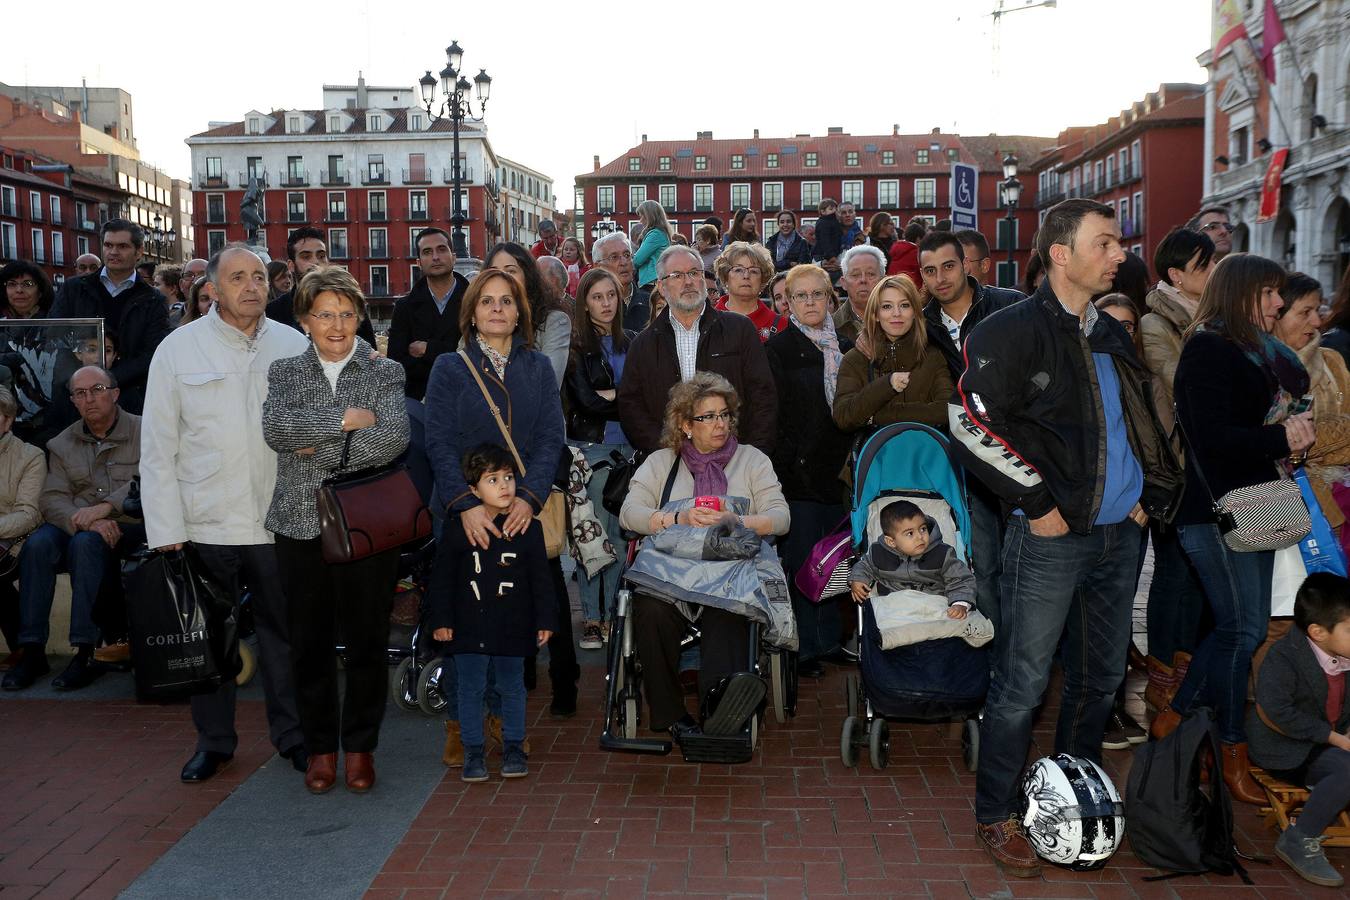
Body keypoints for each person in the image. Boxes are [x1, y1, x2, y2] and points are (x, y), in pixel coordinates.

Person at [951, 199, 1181, 877]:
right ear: (1060, 253)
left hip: (1120, 535)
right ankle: (996, 813)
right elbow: (969, 426)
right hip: (1051, 538)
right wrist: (1037, 501)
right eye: (1106, 243)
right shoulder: (1012, 330)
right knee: (1022, 681)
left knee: (1100, 678)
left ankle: (1072, 797)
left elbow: (1137, 422)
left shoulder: (1109, 331)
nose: (1120, 254)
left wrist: (1147, 496)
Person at [1149, 253, 1312, 809]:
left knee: (1243, 626)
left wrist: (1289, 435)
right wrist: (1281, 439)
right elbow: (1213, 437)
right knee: (1241, 630)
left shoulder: (1257, 353)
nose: (1279, 304)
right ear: (1241, 293)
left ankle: (1176, 717)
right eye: (1269, 293)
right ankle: (1230, 749)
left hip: (1256, 506)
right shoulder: (1207, 349)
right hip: (1215, 511)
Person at [141, 245, 309, 784]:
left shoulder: (294, 344)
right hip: (205, 521)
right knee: (209, 640)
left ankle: (294, 736)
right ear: (212, 288)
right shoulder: (177, 350)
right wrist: (165, 530)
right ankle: (213, 742)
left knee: (285, 637)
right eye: (238, 277)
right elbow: (157, 447)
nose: (251, 286)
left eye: (259, 276)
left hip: (277, 520)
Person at [261, 266, 409, 794]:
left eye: (347, 313)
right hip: (298, 524)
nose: (338, 324)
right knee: (309, 642)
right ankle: (321, 748)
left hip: (366, 522)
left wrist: (313, 441)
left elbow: (391, 439)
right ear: (304, 319)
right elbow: (276, 431)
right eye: (325, 314)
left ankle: (360, 749)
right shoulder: (283, 371)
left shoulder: (385, 370)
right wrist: (345, 420)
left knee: (368, 639)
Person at [422, 266, 572, 730]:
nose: (497, 309)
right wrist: (464, 506)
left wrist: (528, 496)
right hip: (467, 513)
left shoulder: (538, 367)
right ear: (471, 313)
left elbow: (551, 439)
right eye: (487, 301)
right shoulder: (450, 367)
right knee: (468, 622)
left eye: (506, 301)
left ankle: (508, 724)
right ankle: (461, 726)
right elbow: (439, 442)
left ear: (520, 311)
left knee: (517, 618)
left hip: (523, 509)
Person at [618, 372, 790, 735]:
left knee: (729, 610)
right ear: (685, 425)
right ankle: (669, 715)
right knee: (650, 611)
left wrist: (736, 519)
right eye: (707, 417)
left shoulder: (752, 461)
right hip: (672, 572)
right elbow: (629, 513)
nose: (720, 424)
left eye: (725, 415)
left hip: (730, 571)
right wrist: (676, 517)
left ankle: (720, 711)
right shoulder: (662, 462)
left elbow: (781, 517)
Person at [3, 366, 140, 693]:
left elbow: (152, 479)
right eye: (80, 393)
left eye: (97, 389)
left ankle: (86, 650)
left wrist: (106, 509)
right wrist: (85, 518)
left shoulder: (145, 430)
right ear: (73, 402)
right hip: (78, 522)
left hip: (135, 524)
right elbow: (52, 498)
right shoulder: (62, 443)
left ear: (115, 393)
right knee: (38, 544)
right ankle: (32, 649)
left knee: (85, 545)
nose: (89, 398)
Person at [430, 443, 556, 783]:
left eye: (509, 477)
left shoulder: (529, 527)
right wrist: (441, 620)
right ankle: (473, 751)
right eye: (493, 479)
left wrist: (545, 619)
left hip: (513, 625)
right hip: (468, 627)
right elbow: (441, 578)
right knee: (469, 689)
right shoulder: (459, 528)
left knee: (512, 687)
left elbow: (541, 579)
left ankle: (513, 746)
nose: (504, 486)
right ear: (472, 490)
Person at [1138, 227, 1215, 710]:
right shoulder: (1155, 323)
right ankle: (1163, 680)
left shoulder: (1207, 318)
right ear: (1177, 276)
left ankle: (1186, 675)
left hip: (1205, 466)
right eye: (1204, 266)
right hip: (1176, 466)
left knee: (1199, 576)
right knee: (1173, 573)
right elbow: (1181, 385)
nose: (1212, 273)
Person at [765, 264, 853, 678]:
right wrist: (786, 469)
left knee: (835, 560)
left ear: (830, 299)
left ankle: (831, 640)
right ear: (789, 302)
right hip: (798, 475)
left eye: (817, 294)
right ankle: (806, 649)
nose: (810, 302)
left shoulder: (848, 347)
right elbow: (776, 418)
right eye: (800, 296)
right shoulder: (779, 349)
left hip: (839, 473)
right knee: (803, 562)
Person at [616, 246, 776, 455]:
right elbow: (631, 408)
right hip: (670, 466)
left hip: (736, 462)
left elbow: (763, 396)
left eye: (694, 273)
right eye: (677, 275)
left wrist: (751, 455)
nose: (688, 281)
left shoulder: (740, 330)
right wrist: (667, 454)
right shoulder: (642, 345)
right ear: (662, 286)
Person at [1248, 572, 1350, 889]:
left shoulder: (1344, 652)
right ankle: (1300, 838)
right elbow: (1278, 711)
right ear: (1318, 632)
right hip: (1287, 745)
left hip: (1333, 740)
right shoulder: (1284, 657)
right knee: (1347, 772)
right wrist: (1334, 738)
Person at [565, 267, 633, 649]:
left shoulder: (634, 341)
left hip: (631, 451)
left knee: (623, 538)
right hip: (592, 451)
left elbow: (644, 397)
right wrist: (621, 398)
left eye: (611, 295)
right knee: (592, 537)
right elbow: (587, 402)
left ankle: (616, 616)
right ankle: (593, 618)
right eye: (597, 297)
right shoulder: (578, 350)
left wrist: (614, 395)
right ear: (585, 304)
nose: (606, 303)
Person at [50, 220, 171, 415]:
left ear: (139, 252)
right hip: (75, 399)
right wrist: (83, 381)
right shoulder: (73, 289)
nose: (113, 252)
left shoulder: (154, 299)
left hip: (130, 400)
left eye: (122, 246)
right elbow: (55, 336)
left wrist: (107, 381)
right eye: (108, 245)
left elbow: (153, 352)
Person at [833, 275, 953, 436]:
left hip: (926, 456)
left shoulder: (932, 355)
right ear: (875, 314)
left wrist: (877, 415)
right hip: (875, 457)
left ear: (915, 312)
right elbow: (843, 417)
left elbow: (948, 410)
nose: (896, 313)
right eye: (887, 306)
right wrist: (886, 385)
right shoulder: (855, 359)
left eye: (904, 305)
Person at [918, 232, 1023, 378]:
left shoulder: (1012, 306)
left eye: (948, 266)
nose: (940, 278)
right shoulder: (920, 327)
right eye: (930, 271)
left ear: (965, 265)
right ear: (922, 275)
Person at [848, 499, 975, 616]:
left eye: (923, 529)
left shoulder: (942, 554)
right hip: (894, 608)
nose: (920, 537)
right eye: (910, 533)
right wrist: (858, 579)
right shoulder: (879, 553)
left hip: (932, 606)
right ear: (891, 542)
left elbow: (960, 578)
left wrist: (960, 603)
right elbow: (864, 565)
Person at [387, 227, 469, 401]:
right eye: (427, 252)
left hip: (467, 399)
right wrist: (448, 350)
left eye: (441, 249)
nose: (435, 257)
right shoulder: (404, 308)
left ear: (453, 257)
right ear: (419, 262)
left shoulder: (475, 303)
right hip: (418, 404)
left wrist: (427, 349)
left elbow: (476, 358)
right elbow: (396, 367)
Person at [265, 226, 376, 345]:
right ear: (291, 265)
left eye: (321, 256)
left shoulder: (350, 304)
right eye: (306, 256)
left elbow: (369, 353)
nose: (316, 262)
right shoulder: (273, 312)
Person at [485, 242, 572, 389]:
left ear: (527, 275)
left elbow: (548, 387)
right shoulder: (477, 320)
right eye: (493, 271)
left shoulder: (554, 321)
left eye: (511, 271)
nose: (501, 277)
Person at [0, 386, 44, 672]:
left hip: (15, 541)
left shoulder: (31, 456)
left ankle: (23, 647)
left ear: (8, 420)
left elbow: (28, 513)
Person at [714, 241, 787, 342]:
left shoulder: (781, 324)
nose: (746, 276)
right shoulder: (707, 321)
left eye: (753, 271)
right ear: (725, 277)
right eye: (738, 270)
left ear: (762, 280)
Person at [592, 231, 647, 331]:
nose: (624, 262)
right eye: (614, 257)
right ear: (598, 267)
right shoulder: (591, 308)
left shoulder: (652, 303)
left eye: (627, 255)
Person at [830, 246, 886, 345]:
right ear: (843, 283)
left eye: (871, 274)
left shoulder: (900, 320)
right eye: (855, 275)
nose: (863, 280)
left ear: (883, 280)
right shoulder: (831, 327)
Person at [632, 200, 673, 299]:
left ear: (649, 216)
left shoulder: (655, 234)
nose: (640, 220)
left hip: (651, 282)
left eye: (642, 216)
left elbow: (637, 260)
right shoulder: (661, 233)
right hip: (655, 281)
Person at [811, 199, 844, 271]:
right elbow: (825, 240)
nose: (834, 211)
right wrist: (831, 256)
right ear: (823, 212)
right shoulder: (823, 223)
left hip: (830, 254)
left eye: (836, 209)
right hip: (823, 255)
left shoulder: (834, 222)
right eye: (831, 209)